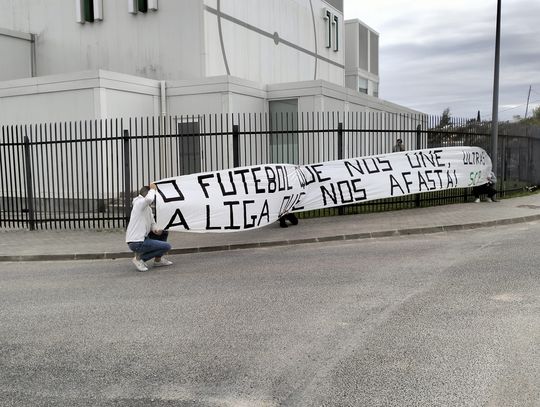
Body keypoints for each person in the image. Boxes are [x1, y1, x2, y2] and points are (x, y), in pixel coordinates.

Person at [125, 183, 173, 272]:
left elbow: (152, 224)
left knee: (164, 232)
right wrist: (153, 189)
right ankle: (140, 259)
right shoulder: (138, 203)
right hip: (136, 242)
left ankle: (158, 261)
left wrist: (156, 229)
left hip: (144, 239)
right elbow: (149, 199)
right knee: (167, 246)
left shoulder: (148, 208)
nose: (154, 199)